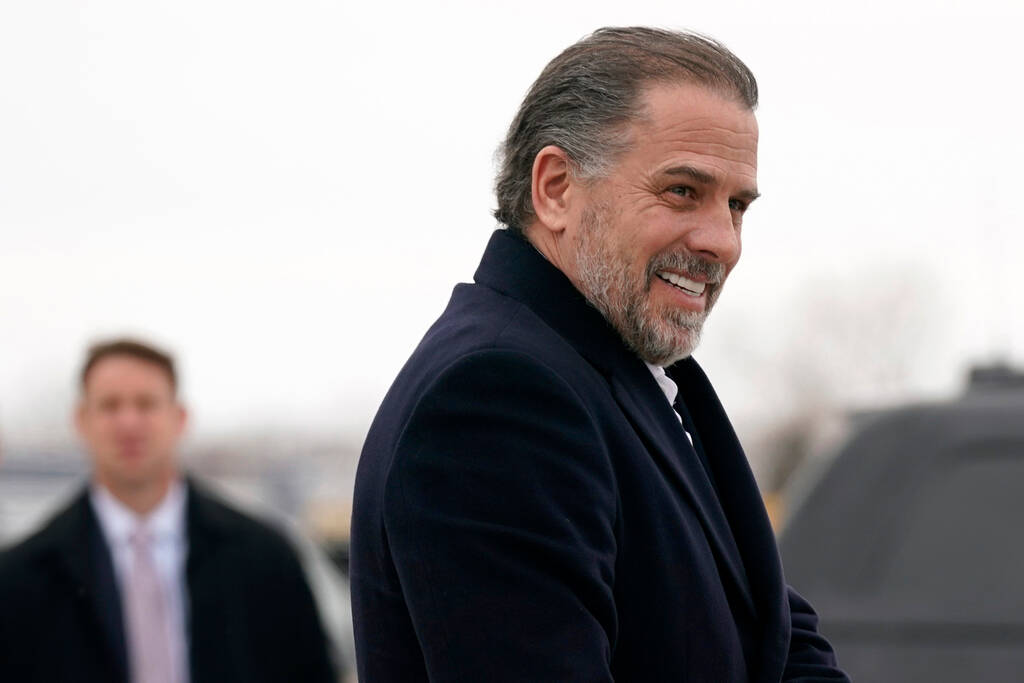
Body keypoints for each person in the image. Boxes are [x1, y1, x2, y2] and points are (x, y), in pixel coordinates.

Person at [350, 27, 849, 682]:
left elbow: (776, 644)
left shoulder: (619, 378)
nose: (721, 240)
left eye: (736, 205)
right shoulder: (499, 397)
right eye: (681, 191)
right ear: (556, 187)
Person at [0, 339, 336, 683]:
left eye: (146, 404)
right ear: (82, 421)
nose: (129, 422)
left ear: (179, 417)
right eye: (110, 405)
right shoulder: (20, 578)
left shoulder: (266, 559)